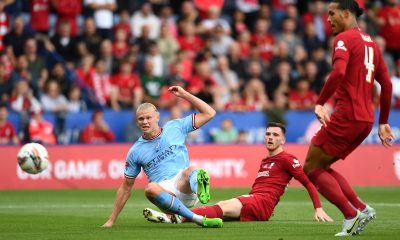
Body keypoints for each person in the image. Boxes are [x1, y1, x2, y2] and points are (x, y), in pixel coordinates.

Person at [302, 1, 395, 237]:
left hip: (347, 115)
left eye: (332, 14)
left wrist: (320, 101)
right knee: (322, 166)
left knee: (311, 168)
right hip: (365, 120)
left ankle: (351, 215)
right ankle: (362, 208)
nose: (329, 19)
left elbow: (339, 72)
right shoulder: (372, 44)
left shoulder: (344, 39)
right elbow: (387, 84)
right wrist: (383, 121)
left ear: (346, 13)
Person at [143, 122, 333, 225]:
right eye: (268, 134)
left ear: (283, 140)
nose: (270, 137)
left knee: (223, 205)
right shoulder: (266, 161)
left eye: (275, 135)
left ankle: (172, 217)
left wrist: (318, 208)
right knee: (220, 209)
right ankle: (179, 218)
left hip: (262, 202)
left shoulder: (288, 159)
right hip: (256, 201)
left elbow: (307, 182)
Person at [102, 86, 223, 228]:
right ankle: (198, 219)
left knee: (191, 170)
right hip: (165, 195)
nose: (145, 122)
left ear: (157, 117)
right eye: (141, 119)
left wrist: (184, 94)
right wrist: (111, 220)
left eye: (148, 117)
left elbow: (210, 113)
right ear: (137, 121)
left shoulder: (175, 126)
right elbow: (126, 188)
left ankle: (201, 190)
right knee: (150, 189)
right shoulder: (135, 151)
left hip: (185, 186)